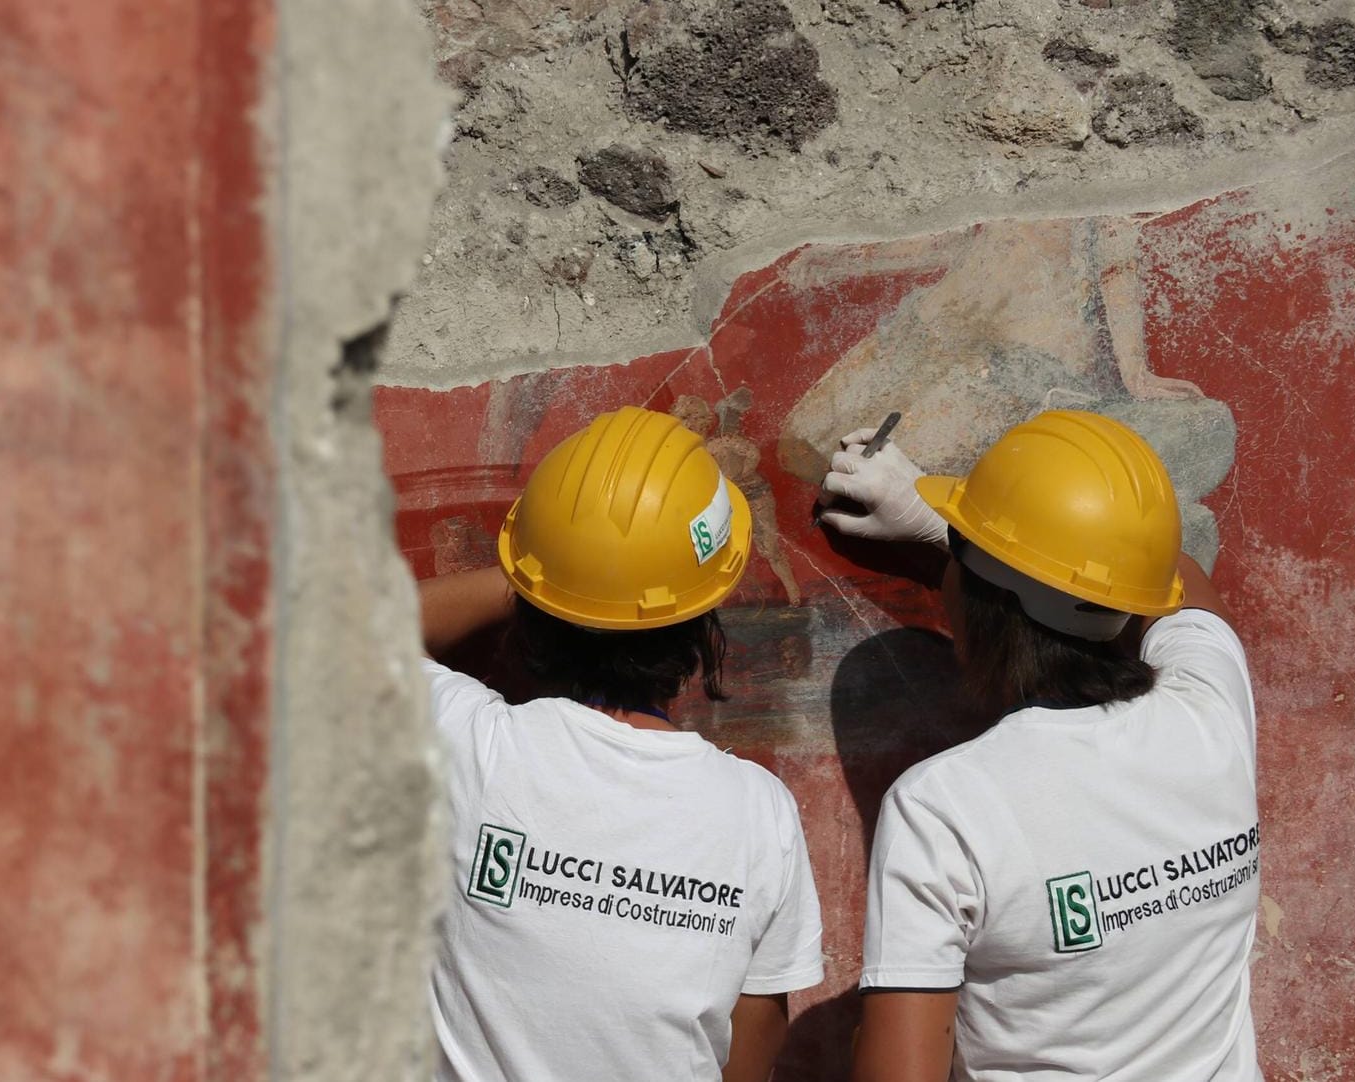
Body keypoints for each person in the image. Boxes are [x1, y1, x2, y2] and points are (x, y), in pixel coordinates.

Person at [818, 410, 1261, 1081]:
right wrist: (991, 538)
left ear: (976, 600)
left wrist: (970, 528)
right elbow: (1173, 574)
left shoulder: (944, 807)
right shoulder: (1209, 714)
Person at [417, 406, 824, 1082]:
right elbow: (746, 1062)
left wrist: (546, 579)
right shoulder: (762, 816)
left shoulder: (474, 750)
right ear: (704, 616)